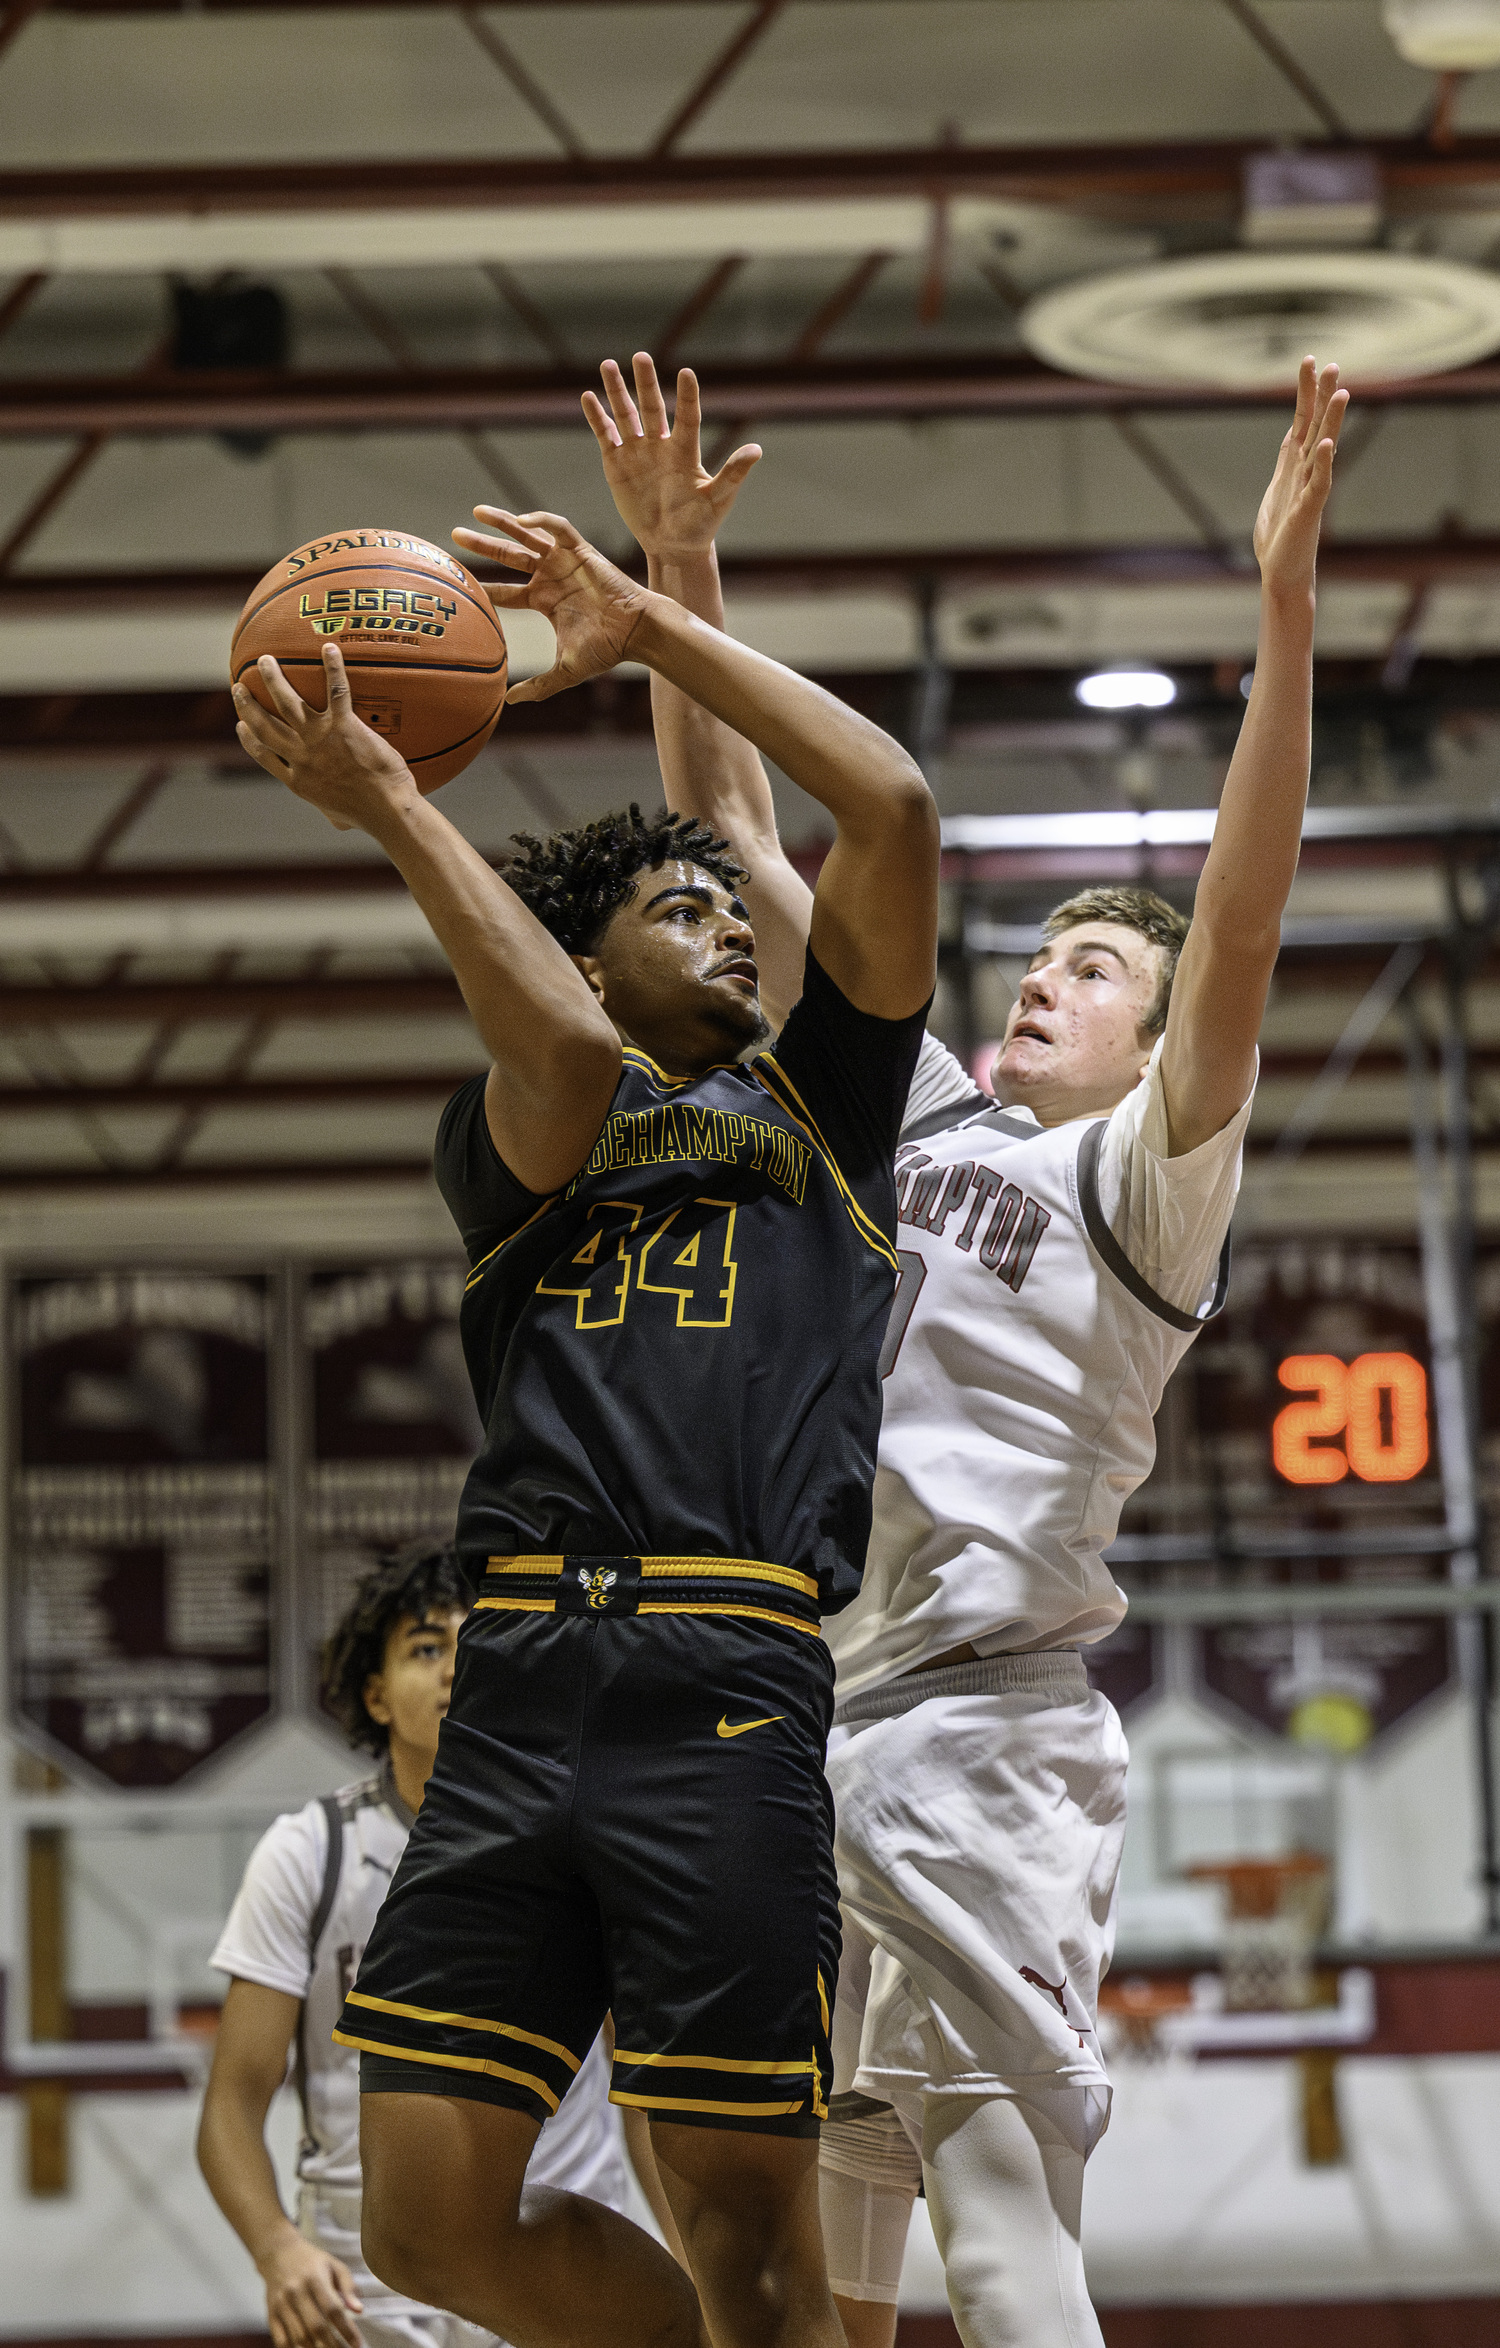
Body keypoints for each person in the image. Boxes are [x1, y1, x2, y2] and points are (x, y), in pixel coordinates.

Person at [583, 348, 1348, 2348]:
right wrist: (682, 568)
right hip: (810, 1722)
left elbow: (1245, 926)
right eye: (1046, 949)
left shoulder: (1144, 1181)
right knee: (815, 2287)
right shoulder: (910, 1117)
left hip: (981, 1737)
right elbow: (738, 844)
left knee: (1008, 2241)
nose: (1044, 972)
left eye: (1097, 965)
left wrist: (1280, 607)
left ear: (1154, 1041)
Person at [230, 500, 939, 2348]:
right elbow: (548, 1045)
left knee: (753, 2241)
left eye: (729, 905)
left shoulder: (830, 1111)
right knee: (430, 2225)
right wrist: (393, 798)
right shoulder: (525, 1134)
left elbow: (895, 810)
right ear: (590, 956)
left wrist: (648, 622)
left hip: (726, 1667)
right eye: (676, 907)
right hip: (527, 1675)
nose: (725, 928)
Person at [198, 1545, 633, 2348]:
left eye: (478, 1647)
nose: (454, 1671)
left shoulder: (590, 1840)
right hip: (366, 2293)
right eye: (427, 1648)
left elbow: (644, 2089)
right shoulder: (308, 1852)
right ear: (376, 1694)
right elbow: (231, 2104)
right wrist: (275, 2249)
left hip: (556, 2270)